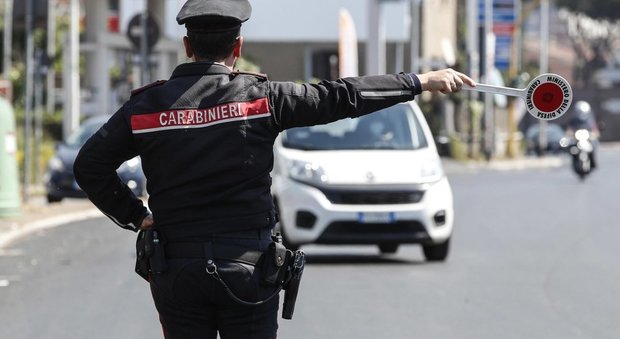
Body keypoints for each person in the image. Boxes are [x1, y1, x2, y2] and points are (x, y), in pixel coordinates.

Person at [73, 0, 475, 338]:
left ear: (186, 45)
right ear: (238, 46)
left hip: (176, 269)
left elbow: (89, 165)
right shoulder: (263, 99)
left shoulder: (146, 108)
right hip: (248, 269)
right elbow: (342, 96)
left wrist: (136, 216)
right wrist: (420, 81)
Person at [565, 100, 599, 168]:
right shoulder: (574, 119)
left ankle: (593, 161)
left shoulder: (590, 119)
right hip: (577, 138)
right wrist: (570, 133)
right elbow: (570, 128)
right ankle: (574, 162)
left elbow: (594, 128)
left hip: (587, 137)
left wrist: (594, 133)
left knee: (594, 144)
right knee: (571, 146)